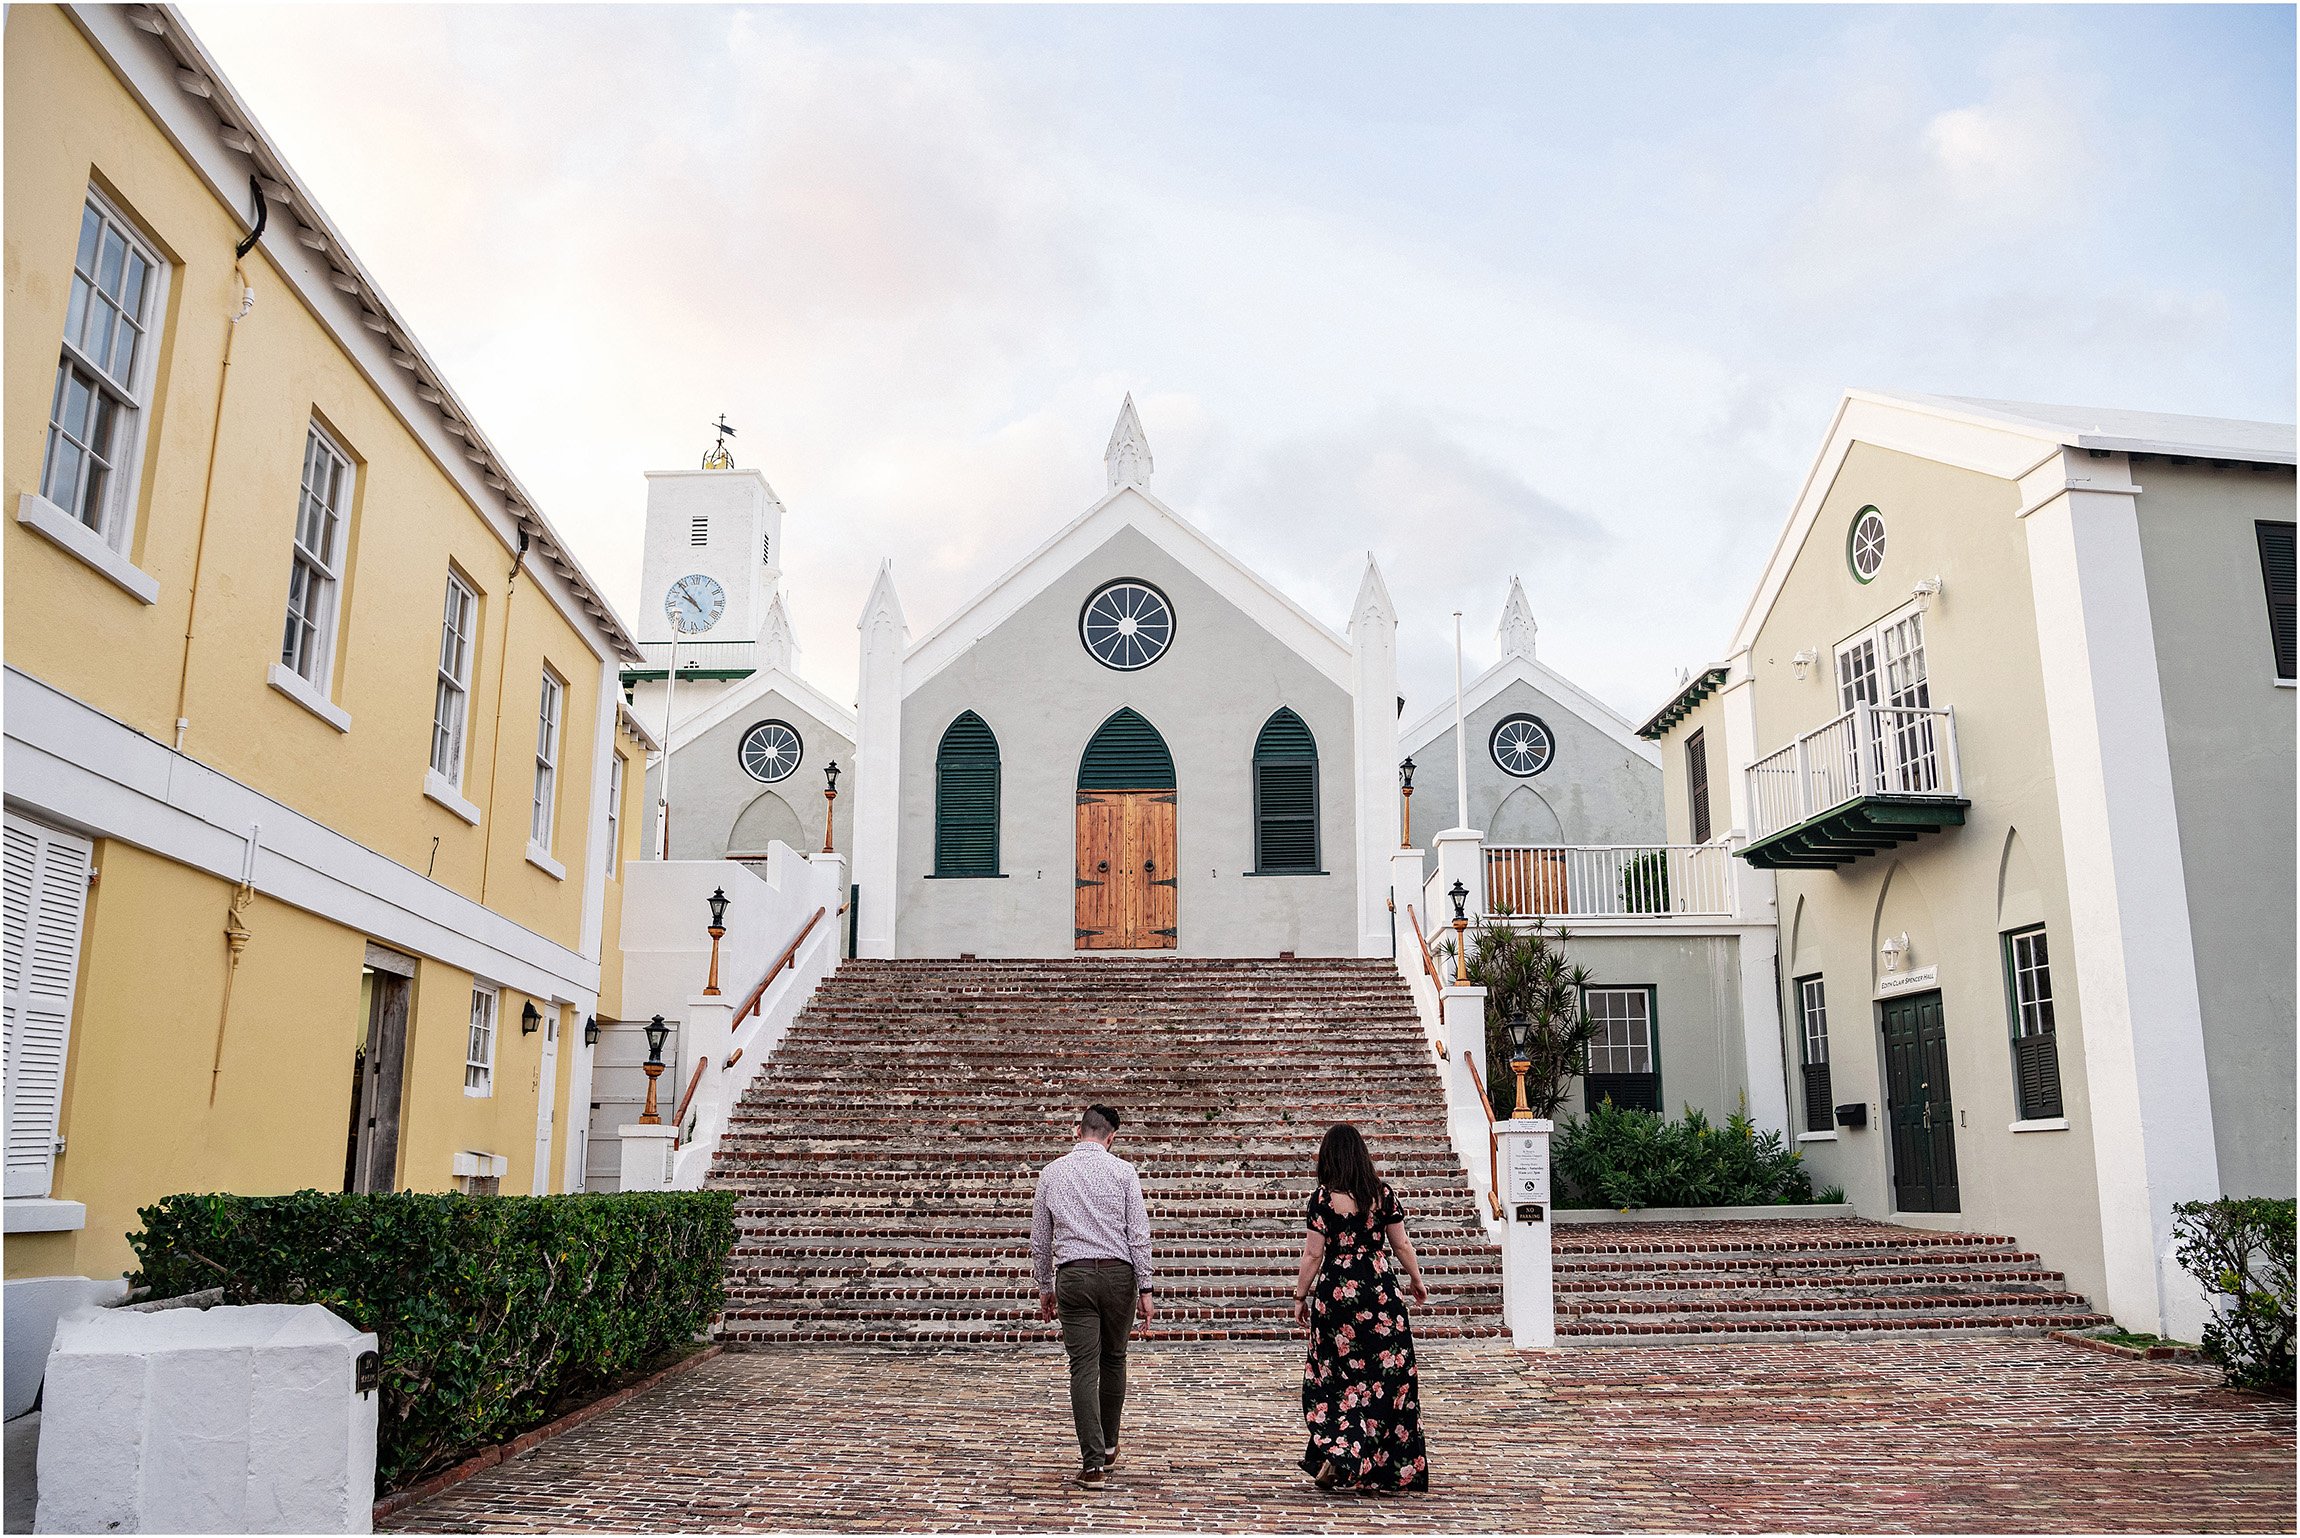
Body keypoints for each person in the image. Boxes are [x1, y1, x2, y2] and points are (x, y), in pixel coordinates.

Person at [1292, 1122, 1430, 1493]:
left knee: (1338, 1380)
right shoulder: (1383, 1195)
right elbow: (1401, 1245)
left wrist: (1299, 1295)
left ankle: (1341, 1453)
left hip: (1337, 1295)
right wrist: (1416, 1280)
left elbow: (1313, 1253)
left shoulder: (1322, 1199)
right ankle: (1377, 1463)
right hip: (1380, 1292)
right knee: (1387, 1380)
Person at [1031, 1103, 1155, 1487]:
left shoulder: (1052, 1173)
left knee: (1083, 1367)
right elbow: (1138, 1233)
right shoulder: (1123, 1172)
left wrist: (1045, 1286)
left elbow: (1040, 1239)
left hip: (1075, 1275)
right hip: (1119, 1276)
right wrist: (1146, 1288)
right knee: (1114, 1359)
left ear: (1077, 1130)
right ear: (1110, 1137)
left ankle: (1092, 1464)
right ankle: (1110, 1444)